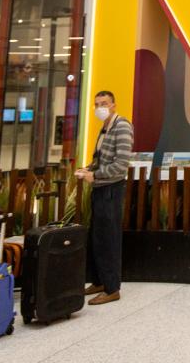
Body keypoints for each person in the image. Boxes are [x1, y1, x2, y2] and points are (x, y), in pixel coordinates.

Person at [77, 90, 133, 305]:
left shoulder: (122, 127)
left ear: (114, 105)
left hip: (111, 189)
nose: (100, 107)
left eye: (105, 103)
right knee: (97, 237)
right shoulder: (104, 128)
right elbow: (100, 159)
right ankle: (99, 280)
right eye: (97, 104)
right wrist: (87, 169)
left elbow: (120, 165)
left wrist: (95, 174)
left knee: (109, 238)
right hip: (99, 188)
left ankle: (112, 288)